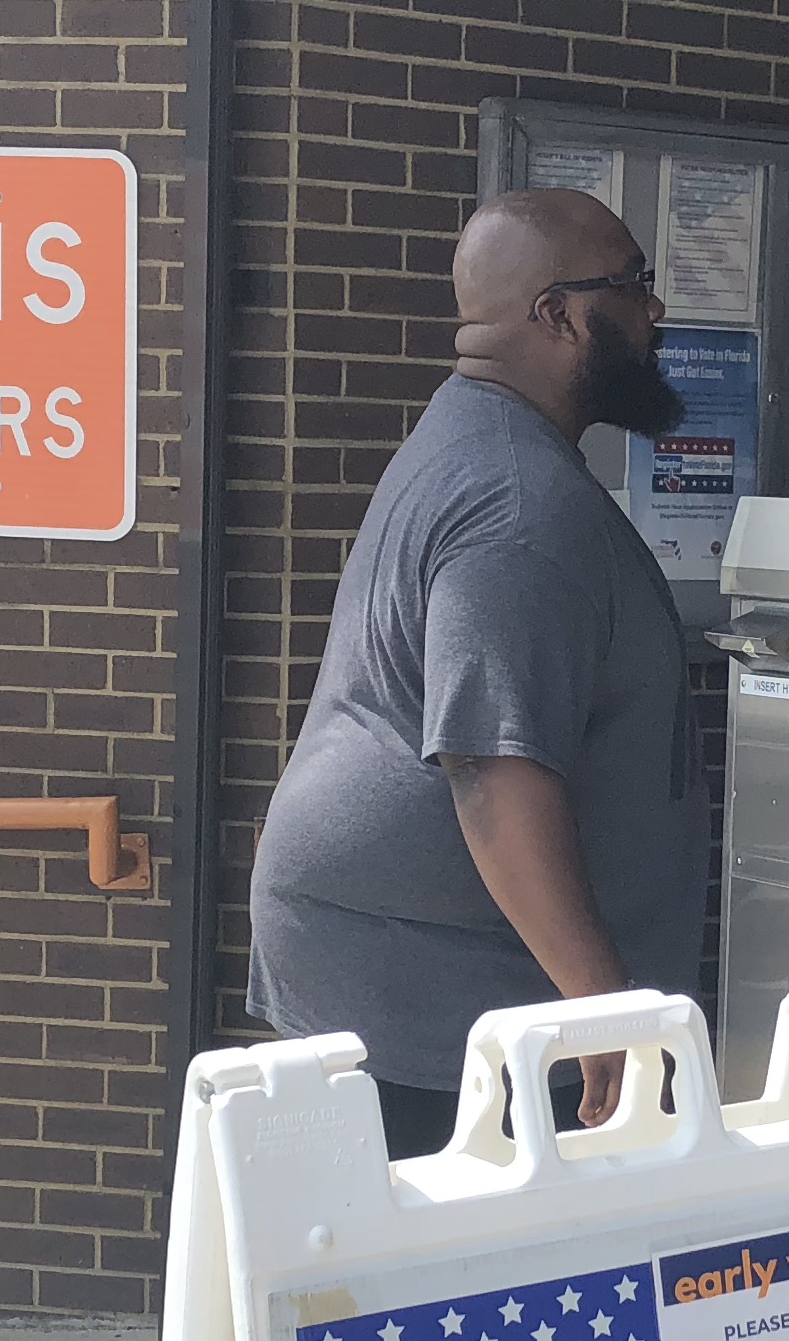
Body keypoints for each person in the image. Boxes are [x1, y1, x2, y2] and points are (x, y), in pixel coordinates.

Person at [248, 189, 708, 1157]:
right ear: (557, 317)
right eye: (633, 286)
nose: (654, 312)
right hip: (427, 998)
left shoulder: (479, 440)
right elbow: (495, 775)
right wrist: (602, 1009)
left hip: (405, 966)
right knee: (476, 1290)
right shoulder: (517, 506)